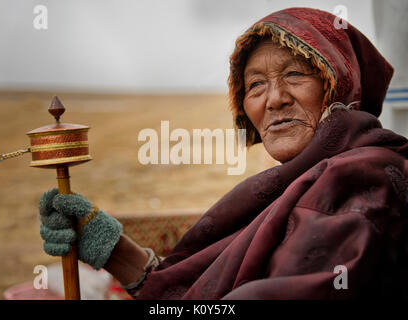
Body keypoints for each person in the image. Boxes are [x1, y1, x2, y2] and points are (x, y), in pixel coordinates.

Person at [38, 7, 408, 299]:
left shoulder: (363, 180)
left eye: (295, 74)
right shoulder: (299, 182)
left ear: (338, 83)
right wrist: (112, 248)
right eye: (256, 85)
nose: (274, 99)